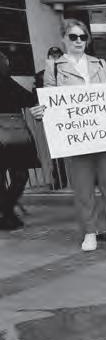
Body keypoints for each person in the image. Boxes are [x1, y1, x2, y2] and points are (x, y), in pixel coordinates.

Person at [30, 18, 106, 252]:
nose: (78, 41)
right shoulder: (54, 67)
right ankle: (90, 231)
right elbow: (50, 101)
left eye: (83, 37)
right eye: (73, 36)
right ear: (64, 39)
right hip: (76, 136)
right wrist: (41, 111)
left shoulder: (100, 64)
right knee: (83, 187)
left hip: (103, 132)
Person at [0, 52, 39, 230]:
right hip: (16, 135)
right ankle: (7, 212)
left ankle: (6, 213)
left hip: (12, 135)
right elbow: (29, 99)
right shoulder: (8, 82)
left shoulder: (8, 82)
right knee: (20, 175)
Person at [34, 46, 68, 190]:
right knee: (57, 151)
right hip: (53, 117)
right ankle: (59, 179)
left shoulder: (69, 72)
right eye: (52, 56)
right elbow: (36, 94)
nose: (55, 58)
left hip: (70, 114)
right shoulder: (40, 75)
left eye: (57, 55)